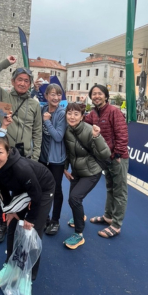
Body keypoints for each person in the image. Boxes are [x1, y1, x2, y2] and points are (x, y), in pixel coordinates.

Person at [0, 55, 42, 243]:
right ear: (13, 81)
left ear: (30, 84)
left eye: (26, 81)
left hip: (26, 156)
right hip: (4, 156)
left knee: (24, 192)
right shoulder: (4, 97)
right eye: (19, 80)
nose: (22, 83)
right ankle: (2, 223)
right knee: (1, 192)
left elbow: (37, 132)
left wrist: (35, 156)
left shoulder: (34, 104)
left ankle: (19, 222)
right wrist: (6, 62)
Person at [0, 133, 54, 288]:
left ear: (7, 152)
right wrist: (10, 209)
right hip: (21, 188)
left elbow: (36, 194)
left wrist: (30, 218)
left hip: (43, 189)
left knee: (31, 231)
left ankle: (27, 275)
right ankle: (10, 266)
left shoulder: (21, 168)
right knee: (13, 225)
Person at [63, 103, 111, 249]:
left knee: (75, 198)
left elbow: (106, 153)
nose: (72, 117)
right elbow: (68, 152)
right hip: (76, 171)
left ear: (82, 117)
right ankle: (80, 217)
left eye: (76, 114)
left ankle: (79, 234)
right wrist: (65, 168)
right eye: (69, 113)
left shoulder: (90, 130)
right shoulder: (67, 130)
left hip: (91, 172)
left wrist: (97, 137)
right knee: (73, 200)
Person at [84, 84, 129, 239]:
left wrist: (118, 154)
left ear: (106, 96)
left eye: (99, 93)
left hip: (117, 158)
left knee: (119, 191)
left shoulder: (114, 111)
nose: (96, 96)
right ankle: (108, 217)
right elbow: (83, 123)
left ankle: (116, 225)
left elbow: (122, 134)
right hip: (105, 158)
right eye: (94, 94)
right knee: (110, 188)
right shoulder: (93, 113)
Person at [39, 84, 67, 236]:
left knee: (56, 190)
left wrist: (47, 121)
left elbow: (58, 137)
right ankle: (45, 218)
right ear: (47, 96)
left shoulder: (62, 113)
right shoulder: (42, 109)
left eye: (59, 94)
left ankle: (55, 221)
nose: (56, 97)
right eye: (53, 94)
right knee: (43, 189)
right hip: (43, 158)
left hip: (56, 160)